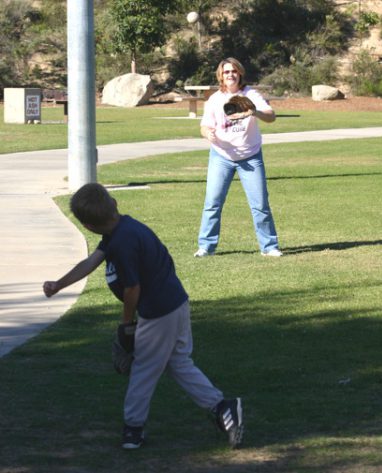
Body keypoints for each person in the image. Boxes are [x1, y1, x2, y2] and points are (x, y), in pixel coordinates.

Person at [43, 183, 243, 450]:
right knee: (178, 363)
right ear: (114, 203)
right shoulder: (122, 229)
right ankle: (223, 407)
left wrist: (126, 325)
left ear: (87, 226)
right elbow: (91, 262)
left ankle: (133, 428)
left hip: (159, 313)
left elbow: (132, 287)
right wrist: (59, 284)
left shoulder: (124, 241)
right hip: (175, 304)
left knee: (143, 370)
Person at [194, 57, 282, 258]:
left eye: (233, 71)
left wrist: (255, 111)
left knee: (260, 203)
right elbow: (204, 126)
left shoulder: (250, 94)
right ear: (220, 76)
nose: (230, 75)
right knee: (212, 202)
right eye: (226, 72)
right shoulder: (214, 99)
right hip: (221, 156)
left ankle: (269, 247)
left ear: (240, 73)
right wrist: (208, 133)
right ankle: (206, 246)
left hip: (250, 157)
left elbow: (271, 116)